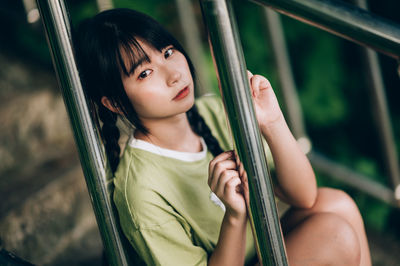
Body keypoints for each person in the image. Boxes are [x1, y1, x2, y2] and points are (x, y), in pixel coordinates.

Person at [75, 8, 371, 266]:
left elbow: (304, 196)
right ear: (113, 103)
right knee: (336, 238)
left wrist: (272, 121)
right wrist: (234, 216)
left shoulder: (213, 111)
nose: (173, 74)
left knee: (338, 204)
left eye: (167, 52)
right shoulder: (140, 190)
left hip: (258, 253)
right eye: (145, 73)